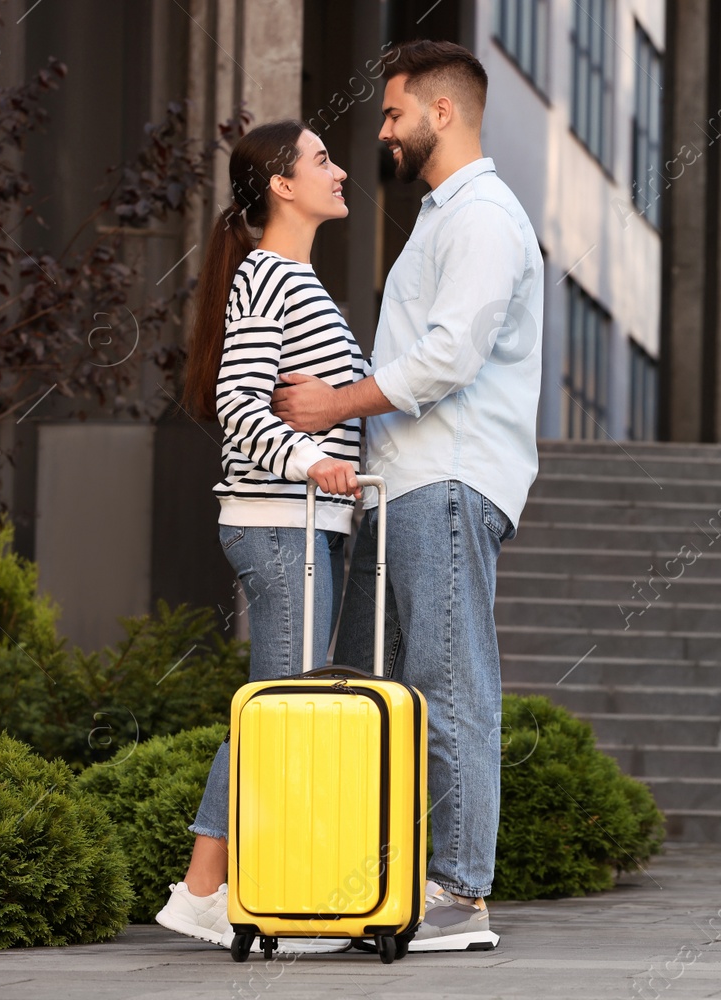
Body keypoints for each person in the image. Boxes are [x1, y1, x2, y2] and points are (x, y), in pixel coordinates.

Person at [272, 39, 543, 951]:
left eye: (391, 115)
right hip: (402, 487)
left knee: (445, 685)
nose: (381, 131)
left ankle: (459, 895)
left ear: (441, 113)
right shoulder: (439, 217)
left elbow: (446, 359)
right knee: (369, 694)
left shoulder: (484, 218)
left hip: (449, 480)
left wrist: (330, 403)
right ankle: (371, 887)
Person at [154, 120, 366, 952]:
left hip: (306, 524)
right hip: (279, 522)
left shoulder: (292, 278)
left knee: (283, 710)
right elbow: (241, 406)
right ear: (281, 184)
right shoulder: (269, 279)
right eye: (322, 160)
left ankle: (244, 883)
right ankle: (205, 888)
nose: (340, 170)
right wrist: (314, 461)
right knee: (277, 712)